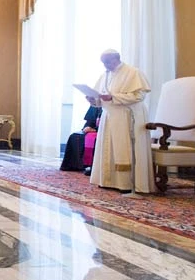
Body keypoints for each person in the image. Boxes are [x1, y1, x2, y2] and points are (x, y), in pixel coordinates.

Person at [88, 49, 155, 194]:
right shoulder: (105, 75)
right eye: (103, 63)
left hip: (127, 116)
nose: (105, 65)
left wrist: (113, 97)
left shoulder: (133, 73)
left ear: (116, 59)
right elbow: (101, 98)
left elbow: (139, 95)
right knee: (109, 148)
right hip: (110, 116)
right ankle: (108, 181)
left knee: (124, 149)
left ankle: (127, 184)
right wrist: (93, 99)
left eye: (107, 62)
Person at [60, 105, 102, 174]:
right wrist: (88, 127)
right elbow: (90, 120)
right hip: (93, 130)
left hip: (104, 132)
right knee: (74, 136)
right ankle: (75, 166)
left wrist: (95, 129)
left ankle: (92, 167)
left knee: (95, 140)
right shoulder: (95, 104)